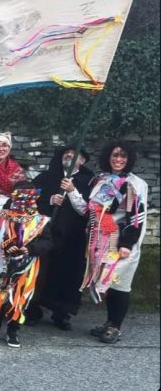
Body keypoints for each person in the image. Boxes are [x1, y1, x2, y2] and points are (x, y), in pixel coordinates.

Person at [82, 140, 148, 344]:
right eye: (114, 155)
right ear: (108, 157)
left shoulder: (135, 184)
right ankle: (110, 321)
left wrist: (127, 243)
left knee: (120, 283)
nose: (118, 159)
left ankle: (115, 327)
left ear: (129, 160)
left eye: (123, 156)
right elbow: (90, 208)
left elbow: (137, 215)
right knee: (107, 283)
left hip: (122, 242)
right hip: (101, 242)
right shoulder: (100, 180)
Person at [26, 146, 94, 330]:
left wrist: (72, 191)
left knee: (67, 274)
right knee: (40, 273)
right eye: (67, 153)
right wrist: (49, 200)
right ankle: (32, 310)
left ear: (83, 160)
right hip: (45, 234)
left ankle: (61, 313)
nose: (70, 155)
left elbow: (87, 210)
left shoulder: (89, 181)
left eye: (75, 154)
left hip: (72, 236)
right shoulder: (46, 177)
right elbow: (29, 198)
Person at [0, 183, 53, 348]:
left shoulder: (41, 221)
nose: (24, 203)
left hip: (26, 266)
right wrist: (5, 245)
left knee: (19, 298)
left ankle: (13, 330)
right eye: (19, 199)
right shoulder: (2, 217)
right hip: (2, 264)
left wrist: (29, 249)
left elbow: (47, 242)